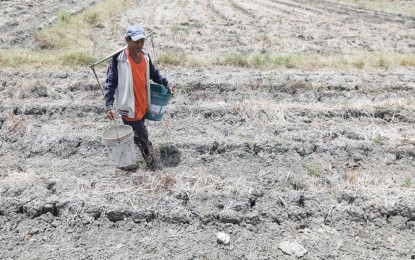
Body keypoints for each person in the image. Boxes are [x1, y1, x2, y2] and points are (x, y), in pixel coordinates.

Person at [104, 25, 174, 170]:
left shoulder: (144, 55)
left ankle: (127, 159)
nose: (139, 45)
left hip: (143, 104)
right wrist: (109, 105)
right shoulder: (119, 59)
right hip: (129, 106)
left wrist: (167, 84)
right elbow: (110, 82)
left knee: (136, 133)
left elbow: (154, 73)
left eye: (142, 41)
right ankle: (152, 164)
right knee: (142, 137)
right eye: (136, 42)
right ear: (127, 40)